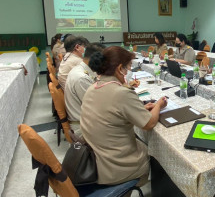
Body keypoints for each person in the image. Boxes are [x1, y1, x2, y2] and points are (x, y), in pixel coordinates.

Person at [80, 46, 167, 187]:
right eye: (128, 68)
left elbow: (111, 112)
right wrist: (158, 105)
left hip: (97, 159)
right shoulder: (121, 93)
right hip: (117, 167)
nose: (129, 72)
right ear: (120, 68)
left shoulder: (93, 87)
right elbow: (149, 123)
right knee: (156, 150)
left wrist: (140, 109)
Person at [64, 43, 106, 135]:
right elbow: (97, 107)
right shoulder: (82, 78)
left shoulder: (81, 69)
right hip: (84, 128)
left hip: (86, 120)